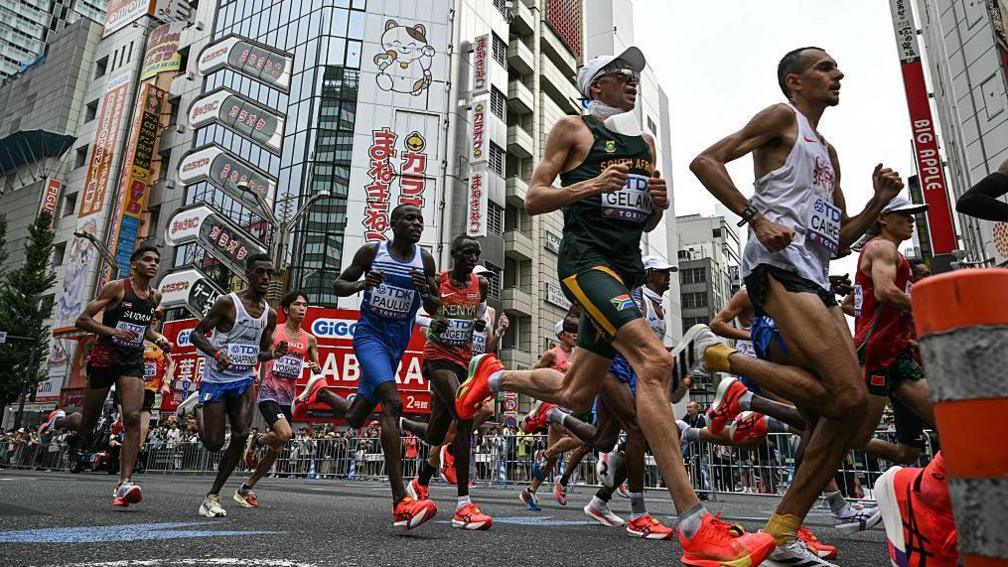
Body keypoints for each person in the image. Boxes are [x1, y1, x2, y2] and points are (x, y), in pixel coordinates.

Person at [456, 47, 775, 564]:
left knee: (574, 392)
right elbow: (533, 197)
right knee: (656, 361)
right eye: (620, 75)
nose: (631, 82)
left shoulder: (644, 142)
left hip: (626, 267)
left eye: (633, 76)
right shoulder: (571, 130)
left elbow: (643, 223)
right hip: (586, 264)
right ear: (595, 85)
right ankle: (694, 523)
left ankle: (491, 376)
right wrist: (590, 185)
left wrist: (657, 207)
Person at [689, 46, 904, 565]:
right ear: (794, 82)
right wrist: (755, 216)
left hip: (814, 277)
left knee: (836, 415)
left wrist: (878, 201)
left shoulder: (828, 151)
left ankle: (782, 532)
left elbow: (839, 239)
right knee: (850, 398)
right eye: (826, 68)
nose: (839, 74)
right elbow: (706, 161)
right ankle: (721, 357)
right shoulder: (781, 118)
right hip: (775, 270)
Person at [292, 204, 439, 529]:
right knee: (393, 403)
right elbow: (338, 285)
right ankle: (401, 501)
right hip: (370, 335)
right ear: (393, 224)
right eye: (409, 218)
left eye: (420, 219)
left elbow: (435, 305)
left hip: (398, 342)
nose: (417, 223)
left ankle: (320, 391)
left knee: (357, 416)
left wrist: (425, 289)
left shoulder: (424, 260)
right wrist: (363, 284)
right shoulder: (372, 251)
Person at [850, 196, 957, 566]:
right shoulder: (881, 247)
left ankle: (910, 486)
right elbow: (885, 293)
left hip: (896, 353)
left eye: (915, 216)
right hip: (878, 354)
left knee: (952, 427)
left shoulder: (898, 256)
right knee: (847, 438)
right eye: (905, 216)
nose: (912, 222)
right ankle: (901, 485)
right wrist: (934, 303)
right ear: (883, 219)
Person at [401, 234, 493, 530]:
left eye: (476, 253)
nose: (472, 257)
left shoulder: (481, 286)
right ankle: (463, 507)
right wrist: (434, 321)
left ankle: (420, 481)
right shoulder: (438, 281)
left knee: (437, 432)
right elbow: (419, 315)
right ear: (454, 254)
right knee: (464, 416)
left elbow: (478, 312)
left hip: (463, 360)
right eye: (467, 252)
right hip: (438, 357)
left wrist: (477, 321)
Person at [183, 253, 284, 518]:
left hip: (243, 381)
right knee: (215, 443)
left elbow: (258, 352)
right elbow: (196, 333)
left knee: (240, 435)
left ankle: (213, 495)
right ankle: (199, 408)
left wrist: (273, 355)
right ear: (248, 275)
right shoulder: (227, 304)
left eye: (269, 273)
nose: (265, 278)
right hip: (216, 381)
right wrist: (216, 353)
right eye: (260, 272)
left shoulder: (269, 315)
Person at [73, 245, 169, 506]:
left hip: (132, 360)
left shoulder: (154, 296)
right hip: (106, 356)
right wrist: (114, 332)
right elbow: (83, 320)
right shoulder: (117, 288)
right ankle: (65, 424)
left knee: (133, 416)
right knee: (88, 423)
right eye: (147, 260)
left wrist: (159, 338)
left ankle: (124, 483)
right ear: (134, 265)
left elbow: (145, 330)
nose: (153, 264)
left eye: (156, 261)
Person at [234, 290, 321, 508]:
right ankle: (258, 440)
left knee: (277, 449)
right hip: (268, 393)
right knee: (285, 434)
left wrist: (315, 367)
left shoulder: (310, 339)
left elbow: (317, 368)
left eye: (305, 305)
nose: (302, 308)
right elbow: (258, 353)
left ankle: (246, 487)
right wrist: (253, 370)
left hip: (288, 398)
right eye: (297, 304)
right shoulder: (273, 333)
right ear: (286, 309)